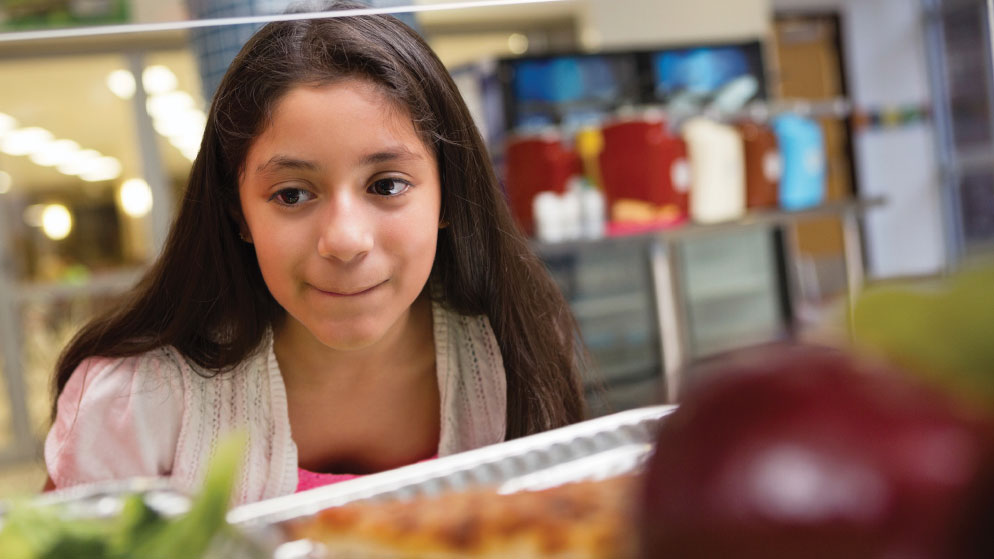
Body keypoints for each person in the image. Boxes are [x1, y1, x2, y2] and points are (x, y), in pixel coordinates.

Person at [44, 1, 586, 505]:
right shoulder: (130, 402)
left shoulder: (511, 347)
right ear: (239, 215)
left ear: (449, 192)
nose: (346, 240)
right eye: (292, 195)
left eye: (388, 185)